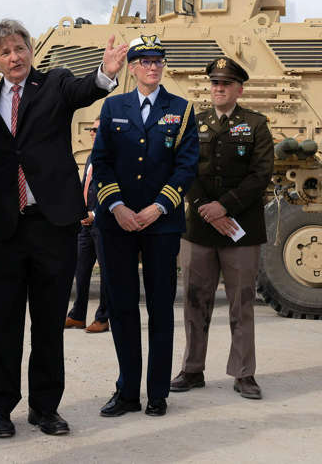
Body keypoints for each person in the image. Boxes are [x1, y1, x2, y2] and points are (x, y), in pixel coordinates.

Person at [0, 20, 125, 438]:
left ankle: (45, 408)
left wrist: (106, 73)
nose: (14, 57)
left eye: (20, 48)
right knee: (1, 324)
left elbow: (85, 90)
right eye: (5, 52)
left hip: (51, 226)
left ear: (31, 50)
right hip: (2, 229)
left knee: (49, 322)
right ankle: (0, 406)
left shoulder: (55, 84)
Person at [91, 35, 198, 418]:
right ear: (133, 68)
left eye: (158, 61)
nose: (153, 67)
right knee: (122, 308)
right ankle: (126, 392)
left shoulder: (181, 110)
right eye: (145, 61)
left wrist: (159, 207)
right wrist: (117, 206)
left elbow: (186, 166)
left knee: (160, 309)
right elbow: (100, 161)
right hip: (117, 223)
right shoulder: (113, 106)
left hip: (161, 225)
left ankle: (157, 393)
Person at [170, 58, 273, 400]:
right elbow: (183, 168)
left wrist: (224, 206)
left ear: (239, 90)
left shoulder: (256, 125)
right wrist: (205, 207)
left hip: (241, 228)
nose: (219, 88)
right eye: (215, 83)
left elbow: (261, 174)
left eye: (226, 84)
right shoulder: (194, 123)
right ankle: (192, 369)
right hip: (199, 229)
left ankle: (244, 373)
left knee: (241, 303)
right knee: (194, 301)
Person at [65, 121, 110, 334]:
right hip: (85, 224)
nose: (91, 133)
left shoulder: (112, 156)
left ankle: (103, 318)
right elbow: (85, 185)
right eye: (90, 129)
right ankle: (77, 315)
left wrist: (96, 214)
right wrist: (80, 212)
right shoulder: (92, 156)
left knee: (106, 272)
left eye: (96, 129)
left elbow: (112, 189)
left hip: (103, 223)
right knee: (81, 270)